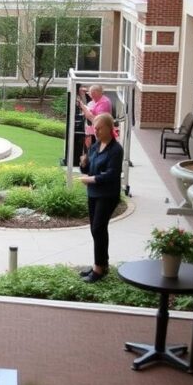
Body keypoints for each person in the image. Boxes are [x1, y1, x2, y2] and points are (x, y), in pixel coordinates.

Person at [78, 113, 123, 284]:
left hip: (108, 194)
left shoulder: (116, 150)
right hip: (94, 193)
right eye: (94, 128)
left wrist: (90, 179)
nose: (95, 131)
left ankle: (99, 268)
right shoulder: (95, 145)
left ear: (109, 129)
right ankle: (102, 264)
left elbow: (111, 175)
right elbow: (89, 168)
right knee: (96, 230)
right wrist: (84, 164)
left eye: (98, 128)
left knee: (98, 228)